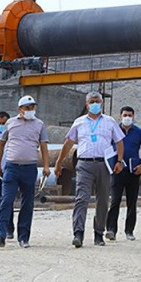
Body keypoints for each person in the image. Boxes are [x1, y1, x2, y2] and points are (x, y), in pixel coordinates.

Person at [54, 92, 125, 248]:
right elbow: (68, 142)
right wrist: (59, 161)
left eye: (97, 101)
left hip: (104, 165)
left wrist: (119, 161)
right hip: (84, 164)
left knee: (103, 200)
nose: (95, 104)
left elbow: (119, 142)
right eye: (92, 101)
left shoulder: (110, 121)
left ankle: (99, 233)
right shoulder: (79, 122)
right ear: (87, 105)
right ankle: (78, 233)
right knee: (82, 198)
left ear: (102, 104)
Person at [0, 96, 51, 249]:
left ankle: (23, 237)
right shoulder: (10, 124)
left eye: (32, 107)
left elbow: (43, 146)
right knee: (6, 200)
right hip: (11, 167)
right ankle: (0, 233)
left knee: (27, 203)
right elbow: (1, 146)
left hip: (30, 168)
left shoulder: (39, 125)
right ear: (20, 109)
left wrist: (46, 166)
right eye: (27, 107)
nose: (30, 110)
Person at [105, 105, 141, 241]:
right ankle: (111, 229)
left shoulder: (139, 132)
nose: (127, 118)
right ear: (120, 116)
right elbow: (107, 147)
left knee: (132, 202)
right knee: (115, 201)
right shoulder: (114, 130)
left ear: (133, 116)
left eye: (130, 115)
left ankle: (129, 231)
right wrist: (111, 164)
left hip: (133, 172)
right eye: (125, 115)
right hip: (117, 171)